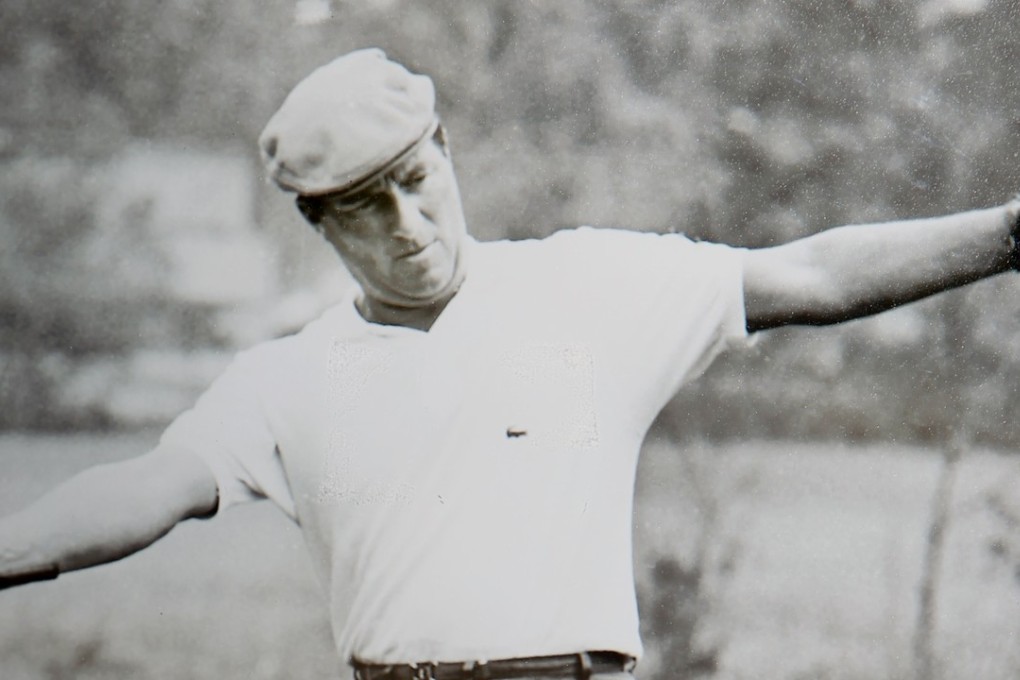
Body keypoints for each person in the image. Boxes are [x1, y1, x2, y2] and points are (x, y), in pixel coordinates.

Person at [1, 48, 1017, 680]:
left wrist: (1011, 231)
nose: (407, 224)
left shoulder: (591, 286)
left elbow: (812, 275)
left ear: (445, 148)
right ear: (318, 221)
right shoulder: (287, 378)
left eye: (415, 178)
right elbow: (145, 486)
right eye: (364, 205)